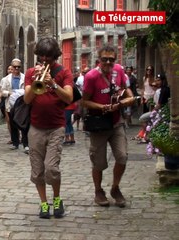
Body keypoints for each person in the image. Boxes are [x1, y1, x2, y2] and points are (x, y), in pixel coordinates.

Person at [23, 37, 74, 219]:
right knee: (37, 170)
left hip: (56, 127)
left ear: (55, 57)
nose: (44, 61)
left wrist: (52, 83)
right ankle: (44, 203)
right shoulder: (31, 72)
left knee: (51, 168)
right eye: (41, 57)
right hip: (36, 127)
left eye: (48, 58)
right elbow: (27, 99)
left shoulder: (64, 72)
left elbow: (68, 98)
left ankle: (57, 198)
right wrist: (37, 80)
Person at [82, 45, 135, 208]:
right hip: (99, 123)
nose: (108, 62)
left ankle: (115, 188)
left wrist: (127, 100)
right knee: (98, 162)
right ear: (98, 60)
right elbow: (83, 101)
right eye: (104, 59)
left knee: (122, 156)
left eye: (111, 59)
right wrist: (101, 107)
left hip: (116, 121)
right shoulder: (91, 77)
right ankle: (98, 191)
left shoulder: (119, 71)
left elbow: (127, 91)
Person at [0, 58, 28, 152]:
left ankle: (25, 143)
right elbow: (1, 91)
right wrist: (9, 93)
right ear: (11, 67)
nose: (16, 68)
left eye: (18, 67)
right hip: (10, 104)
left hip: (22, 104)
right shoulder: (6, 79)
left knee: (23, 123)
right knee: (12, 124)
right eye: (14, 67)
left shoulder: (24, 78)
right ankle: (15, 142)